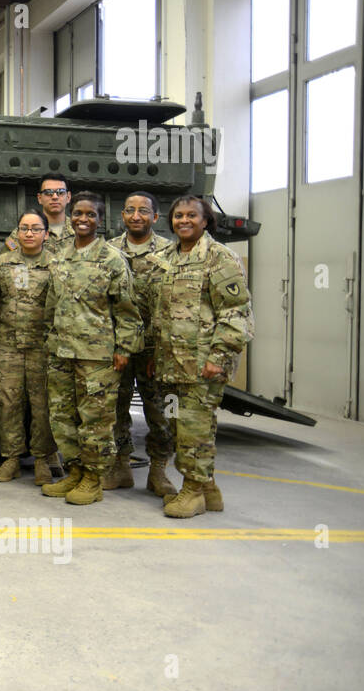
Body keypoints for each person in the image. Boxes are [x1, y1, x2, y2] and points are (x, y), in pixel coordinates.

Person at [150, 196, 253, 518]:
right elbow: (158, 313)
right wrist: (155, 353)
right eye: (178, 215)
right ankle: (209, 490)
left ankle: (193, 492)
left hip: (202, 366)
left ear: (205, 220)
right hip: (170, 365)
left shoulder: (220, 258)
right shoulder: (165, 257)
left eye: (191, 215)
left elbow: (237, 313)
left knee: (195, 429)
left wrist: (218, 357)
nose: (184, 220)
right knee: (179, 426)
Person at [41, 192, 142, 505]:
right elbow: (51, 304)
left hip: (96, 356)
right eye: (78, 214)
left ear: (101, 220)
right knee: (61, 416)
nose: (83, 219)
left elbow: (127, 310)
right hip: (61, 351)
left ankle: (94, 478)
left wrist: (124, 349)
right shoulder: (59, 255)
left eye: (90, 215)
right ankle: (74, 472)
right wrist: (49, 339)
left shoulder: (111, 259)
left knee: (95, 420)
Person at [105, 191, 176, 495]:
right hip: (117, 346)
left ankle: (158, 471)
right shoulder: (108, 251)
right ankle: (120, 466)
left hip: (153, 348)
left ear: (155, 217)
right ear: (122, 216)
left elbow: (173, 304)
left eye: (144, 211)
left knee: (160, 412)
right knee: (115, 409)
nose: (136, 216)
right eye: (130, 210)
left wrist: (162, 349)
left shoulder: (170, 254)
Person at [0, 210, 58, 485]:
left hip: (43, 346)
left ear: (46, 234)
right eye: (24, 228)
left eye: (36, 229)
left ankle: (42, 458)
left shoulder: (56, 264)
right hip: (8, 345)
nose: (29, 233)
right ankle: (12, 458)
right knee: (8, 403)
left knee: (43, 405)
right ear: (16, 232)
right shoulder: (2, 263)